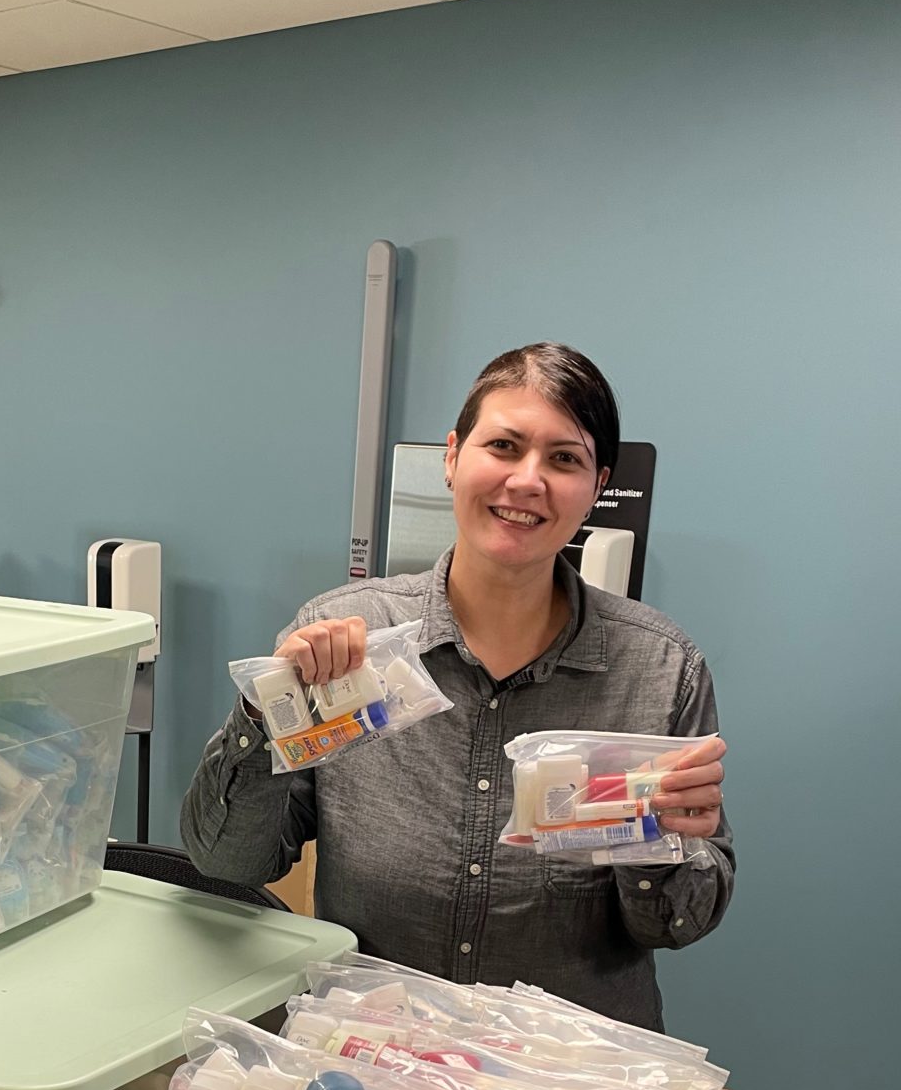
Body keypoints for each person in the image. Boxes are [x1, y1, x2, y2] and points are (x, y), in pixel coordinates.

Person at [180, 343, 733, 1029]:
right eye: (504, 445)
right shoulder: (346, 636)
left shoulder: (658, 669)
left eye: (564, 458)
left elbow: (677, 924)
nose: (527, 480)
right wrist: (271, 712)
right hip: (379, 1063)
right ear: (452, 457)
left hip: (569, 1082)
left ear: (597, 487)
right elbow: (230, 860)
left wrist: (657, 840)